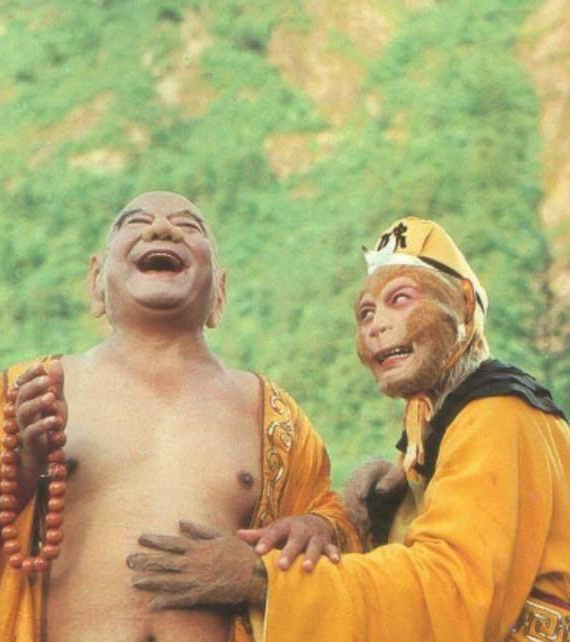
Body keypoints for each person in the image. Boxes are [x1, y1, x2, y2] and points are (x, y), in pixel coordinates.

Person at [128, 217, 569, 642]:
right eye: (365, 313)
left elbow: (452, 593)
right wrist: (350, 526)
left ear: (465, 304)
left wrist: (261, 578)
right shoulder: (428, 416)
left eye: (400, 299)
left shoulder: (496, 415)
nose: (376, 325)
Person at [0, 191, 359, 642]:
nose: (161, 229)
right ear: (96, 281)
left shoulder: (270, 411)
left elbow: (333, 527)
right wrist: (22, 467)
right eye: (135, 222)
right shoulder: (28, 392)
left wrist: (314, 531)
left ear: (220, 292)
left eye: (188, 226)